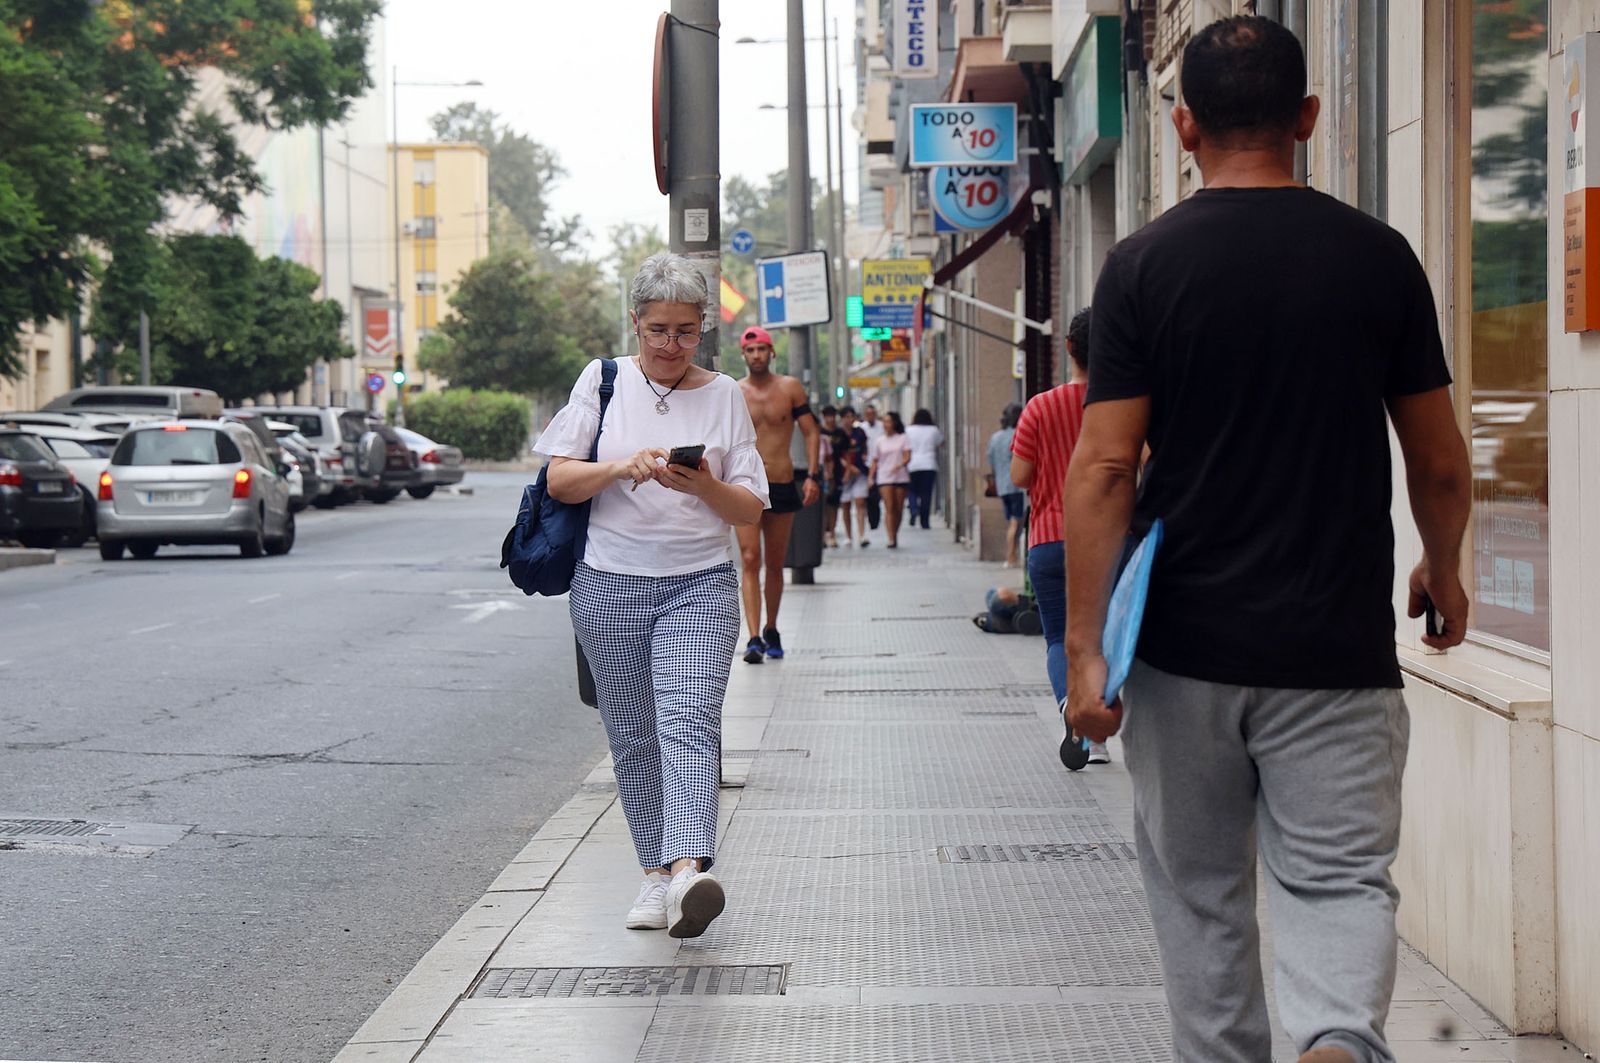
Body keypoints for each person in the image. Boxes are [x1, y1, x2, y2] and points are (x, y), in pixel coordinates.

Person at [1060, 18, 1470, 1063]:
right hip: (1334, 652)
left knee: (1199, 896)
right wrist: (1443, 562)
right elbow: (1437, 458)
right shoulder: (1378, 260)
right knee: (1336, 880)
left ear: (1183, 123)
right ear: (1309, 117)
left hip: (1182, 652)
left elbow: (1103, 467)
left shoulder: (1143, 266)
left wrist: (1084, 653)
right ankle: (1334, 1037)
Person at [537, 252, 770, 939]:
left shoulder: (725, 393)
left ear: (704, 330)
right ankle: (654, 874)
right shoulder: (601, 382)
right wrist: (619, 467)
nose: (671, 346)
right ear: (635, 322)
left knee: (690, 720)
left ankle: (690, 870)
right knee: (633, 733)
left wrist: (702, 484)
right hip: (608, 582)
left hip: (699, 582)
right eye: (658, 330)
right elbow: (559, 481)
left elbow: (751, 508)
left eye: (687, 331)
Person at [1011, 308, 1099, 763]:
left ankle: (1070, 705)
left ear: (1068, 348)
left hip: (1048, 539)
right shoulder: (1118, 406)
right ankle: (1099, 732)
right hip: (1105, 542)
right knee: (1102, 637)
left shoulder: (1039, 407)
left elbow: (1020, 475)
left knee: (1058, 638)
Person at [735, 325, 821, 664]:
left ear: (772, 353)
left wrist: (813, 474)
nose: (756, 356)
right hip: (745, 485)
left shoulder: (790, 388)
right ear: (743, 355)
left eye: (761, 350)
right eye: (750, 350)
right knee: (750, 558)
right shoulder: (734, 391)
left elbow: (812, 432)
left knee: (774, 561)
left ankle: (772, 627)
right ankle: (753, 636)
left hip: (783, 482)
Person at [987, 403, 1025, 567]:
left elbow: (991, 460)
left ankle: (1012, 555)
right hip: (1016, 485)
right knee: (1016, 521)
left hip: (1002, 485)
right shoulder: (1018, 435)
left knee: (1011, 520)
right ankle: (1010, 556)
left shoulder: (995, 437)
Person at [868, 411, 910, 548]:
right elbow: (875, 460)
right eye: (884, 422)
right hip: (884, 476)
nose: (886, 425)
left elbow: (907, 456)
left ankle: (895, 532)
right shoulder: (879, 441)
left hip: (900, 476)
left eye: (889, 421)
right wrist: (870, 477)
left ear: (895, 423)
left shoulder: (903, 438)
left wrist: (900, 464)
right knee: (889, 507)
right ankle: (891, 537)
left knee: (898, 508)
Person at [904, 408, 944, 530]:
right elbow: (941, 443)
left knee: (912, 490)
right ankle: (924, 521)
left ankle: (914, 508)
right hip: (929, 464)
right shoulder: (933, 430)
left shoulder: (908, 430)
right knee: (926, 494)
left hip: (912, 465)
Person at [837, 406, 871, 547]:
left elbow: (864, 449)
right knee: (845, 505)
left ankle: (862, 534)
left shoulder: (860, 433)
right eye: (846, 417)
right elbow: (837, 455)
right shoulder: (838, 435)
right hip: (843, 474)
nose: (849, 420)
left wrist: (863, 459)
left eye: (851, 417)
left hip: (860, 472)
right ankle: (849, 536)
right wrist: (849, 468)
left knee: (860, 502)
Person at [819, 404, 845, 548]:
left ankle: (832, 532)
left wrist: (830, 473)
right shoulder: (819, 434)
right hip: (815, 477)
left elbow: (831, 458)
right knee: (820, 508)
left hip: (832, 476)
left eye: (832, 416)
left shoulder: (838, 434)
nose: (830, 419)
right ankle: (821, 534)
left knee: (832, 506)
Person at [860, 403, 885, 530]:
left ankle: (875, 519)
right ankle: (871, 519)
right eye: (868, 414)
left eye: (872, 414)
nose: (870, 416)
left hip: (880, 464)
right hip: (866, 464)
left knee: (876, 495)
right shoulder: (861, 428)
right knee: (868, 495)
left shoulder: (882, 427)